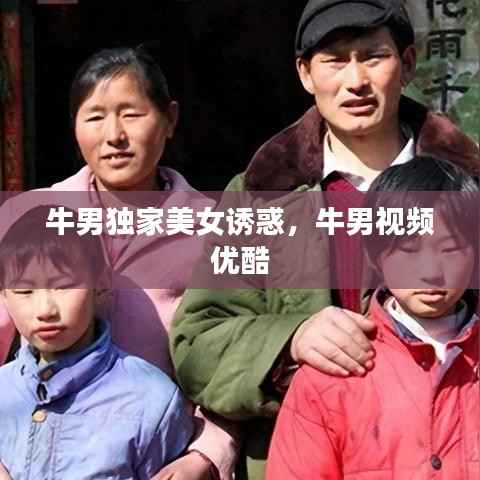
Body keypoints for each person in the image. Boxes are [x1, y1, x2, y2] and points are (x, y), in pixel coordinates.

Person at [170, 1, 479, 478]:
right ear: (305, 73)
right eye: (334, 60)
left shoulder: (467, 189)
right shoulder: (261, 196)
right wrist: (289, 339)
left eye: (373, 56)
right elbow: (197, 342)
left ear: (408, 63)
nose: (355, 81)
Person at [0, 48, 238, 480]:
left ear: (169, 119)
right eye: (94, 117)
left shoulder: (213, 229)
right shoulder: (27, 216)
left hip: (160, 455)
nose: (114, 135)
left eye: (131, 114)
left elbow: (236, 361)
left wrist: (205, 455)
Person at [266, 155, 479, 479]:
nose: (432, 272)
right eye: (409, 250)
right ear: (377, 255)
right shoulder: (332, 372)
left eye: (450, 249)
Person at [0, 206, 195, 479]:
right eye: (24, 290)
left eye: (64, 286)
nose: (45, 310)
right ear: (3, 295)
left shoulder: (152, 399)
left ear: (100, 283)